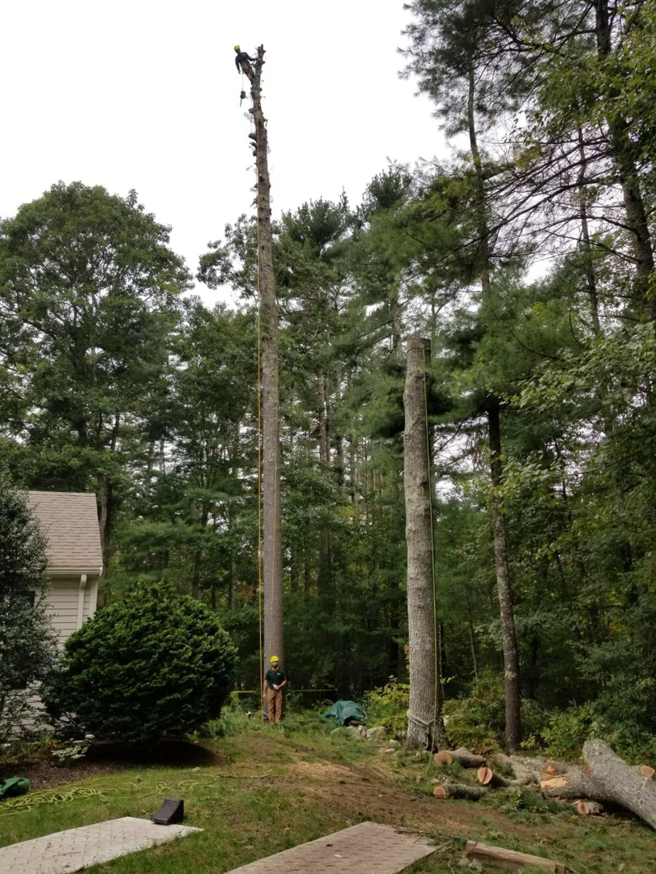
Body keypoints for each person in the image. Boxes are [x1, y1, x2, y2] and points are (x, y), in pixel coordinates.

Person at [263, 655, 286, 724]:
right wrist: (264, 692)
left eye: (275, 662)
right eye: (273, 662)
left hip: (279, 691)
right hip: (270, 690)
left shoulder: (281, 672)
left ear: (277, 662)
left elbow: (285, 680)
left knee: (278, 707)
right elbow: (265, 682)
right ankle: (271, 722)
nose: (274, 663)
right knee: (270, 707)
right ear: (271, 663)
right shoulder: (269, 672)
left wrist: (280, 686)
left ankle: (277, 721)